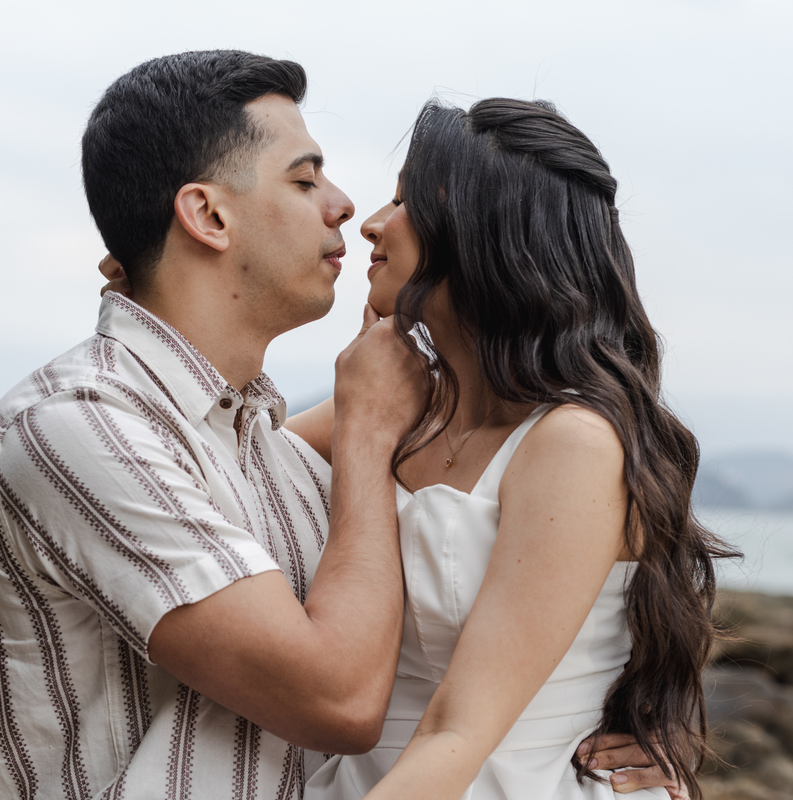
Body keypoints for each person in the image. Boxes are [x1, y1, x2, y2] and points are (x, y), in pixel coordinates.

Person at [0, 50, 426, 800]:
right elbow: (337, 699)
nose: (343, 206)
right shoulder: (74, 426)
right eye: (305, 180)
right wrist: (368, 427)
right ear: (209, 216)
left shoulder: (262, 445)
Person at [290, 98, 737, 800]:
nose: (372, 222)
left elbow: (458, 732)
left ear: (481, 234)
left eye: (406, 201)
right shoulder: (397, 405)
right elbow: (225, 476)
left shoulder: (574, 443)